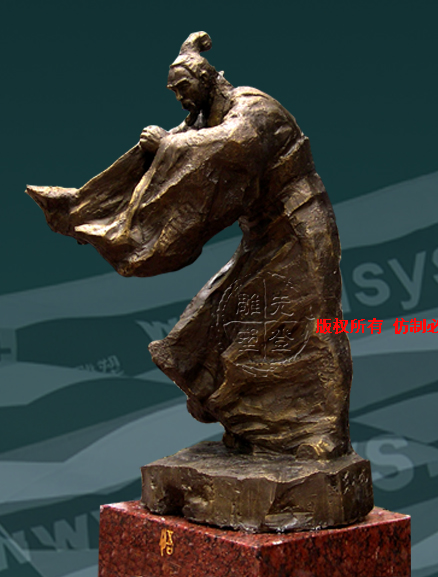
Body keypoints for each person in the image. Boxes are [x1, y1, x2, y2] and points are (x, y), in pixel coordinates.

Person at [27, 32, 353, 459]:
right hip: (261, 233)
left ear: (207, 79)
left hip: (300, 225)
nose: (180, 97)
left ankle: (325, 431)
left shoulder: (254, 107)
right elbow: (176, 150)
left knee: (315, 321)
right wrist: (96, 200)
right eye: (174, 91)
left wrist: (168, 144)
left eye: (183, 87)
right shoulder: (202, 119)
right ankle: (261, 427)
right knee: (225, 314)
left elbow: (230, 144)